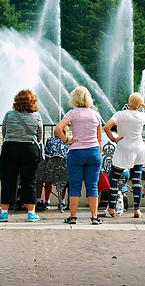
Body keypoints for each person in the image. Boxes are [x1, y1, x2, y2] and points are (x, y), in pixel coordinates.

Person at [54, 86, 103, 225]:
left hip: (76, 151)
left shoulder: (72, 113)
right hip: (93, 151)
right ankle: (94, 217)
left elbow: (58, 128)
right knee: (92, 185)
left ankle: (73, 217)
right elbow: (99, 138)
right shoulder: (95, 114)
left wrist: (67, 141)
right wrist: (99, 151)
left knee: (75, 185)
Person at [104, 92, 145, 218]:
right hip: (138, 149)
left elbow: (106, 127)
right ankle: (137, 210)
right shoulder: (141, 116)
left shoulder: (120, 114)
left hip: (123, 149)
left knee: (114, 180)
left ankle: (111, 208)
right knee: (136, 180)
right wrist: (142, 104)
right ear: (138, 105)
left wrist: (113, 139)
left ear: (128, 102)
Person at [0, 89, 43, 222]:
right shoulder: (36, 116)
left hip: (10, 148)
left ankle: (4, 213)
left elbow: (4, 131)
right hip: (30, 149)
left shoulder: (9, 114)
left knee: (8, 181)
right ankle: (31, 213)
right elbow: (39, 136)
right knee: (29, 181)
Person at [36, 134, 69, 210]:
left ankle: (45, 200)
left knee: (43, 176)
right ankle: (62, 201)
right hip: (63, 172)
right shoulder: (67, 141)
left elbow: (46, 153)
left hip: (50, 171)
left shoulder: (50, 140)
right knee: (62, 179)